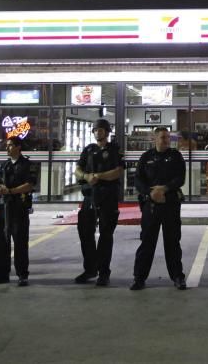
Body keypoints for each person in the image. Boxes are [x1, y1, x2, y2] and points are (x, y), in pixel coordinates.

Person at [131, 126, 187, 291]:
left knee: (172, 242)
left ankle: (178, 277)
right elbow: (138, 181)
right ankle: (139, 278)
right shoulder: (146, 157)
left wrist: (164, 189)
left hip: (170, 204)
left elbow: (180, 178)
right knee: (147, 242)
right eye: (162, 137)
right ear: (154, 138)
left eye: (168, 137)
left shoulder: (175, 156)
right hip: (151, 205)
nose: (166, 140)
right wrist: (150, 192)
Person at [74, 118, 124, 286]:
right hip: (89, 197)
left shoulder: (114, 150)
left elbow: (118, 171)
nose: (98, 132)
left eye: (101, 130)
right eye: (95, 130)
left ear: (107, 132)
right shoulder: (88, 150)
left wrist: (99, 177)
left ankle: (104, 273)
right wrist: (86, 176)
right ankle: (90, 269)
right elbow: (78, 169)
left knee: (105, 236)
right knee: (85, 233)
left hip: (107, 197)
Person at [0, 137, 36, 286]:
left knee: (20, 243)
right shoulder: (5, 165)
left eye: (10, 146)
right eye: (6, 146)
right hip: (4, 209)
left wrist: (11, 191)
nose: (7, 149)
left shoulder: (27, 165)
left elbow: (30, 185)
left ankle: (22, 275)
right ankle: (2, 274)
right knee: (1, 242)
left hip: (19, 209)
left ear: (18, 147)